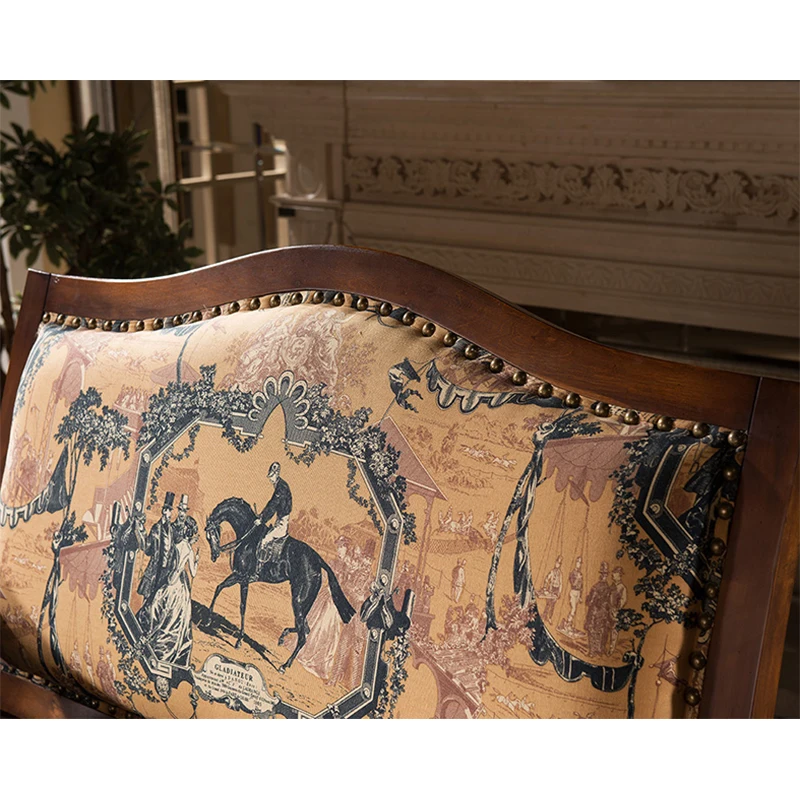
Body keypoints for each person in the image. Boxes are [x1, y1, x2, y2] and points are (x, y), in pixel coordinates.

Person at [146, 516, 199, 665]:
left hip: (168, 582)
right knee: (175, 620)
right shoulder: (189, 550)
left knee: (158, 607)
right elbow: (193, 572)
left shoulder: (176, 544)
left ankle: (149, 636)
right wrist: (196, 561)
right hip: (178, 587)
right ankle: (165, 652)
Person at [137, 492, 175, 630]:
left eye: (169, 510)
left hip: (166, 571)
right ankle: (141, 624)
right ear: (163, 511)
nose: (167, 512)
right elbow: (147, 548)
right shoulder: (156, 528)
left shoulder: (171, 530)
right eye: (165, 509)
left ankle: (153, 628)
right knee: (148, 598)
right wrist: (141, 531)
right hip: (155, 568)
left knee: (159, 601)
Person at [254, 462, 293, 566]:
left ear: (276, 474)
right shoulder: (280, 485)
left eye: (271, 476)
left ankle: (260, 566)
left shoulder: (281, 488)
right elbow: (271, 505)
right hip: (279, 519)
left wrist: (262, 520)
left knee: (265, 540)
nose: (270, 479)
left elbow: (273, 505)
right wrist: (262, 515)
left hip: (282, 521)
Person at [584, 562, 613, 658]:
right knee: (601, 630)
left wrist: (587, 599)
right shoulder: (608, 587)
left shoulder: (595, 587)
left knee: (592, 630)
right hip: (603, 612)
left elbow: (590, 602)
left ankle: (592, 651)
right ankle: (600, 649)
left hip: (595, 612)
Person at [559, 556, 583, 635]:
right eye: (578, 562)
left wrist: (580, 596)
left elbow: (581, 586)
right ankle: (567, 624)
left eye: (580, 563)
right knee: (573, 609)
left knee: (574, 610)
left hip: (578, 593)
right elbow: (573, 584)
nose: (579, 564)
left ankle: (569, 625)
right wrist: (577, 578)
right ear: (576, 563)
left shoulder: (580, 574)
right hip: (573, 592)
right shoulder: (572, 573)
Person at [608, 566, 627, 655]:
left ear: (619, 575)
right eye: (613, 573)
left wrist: (617, 609)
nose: (612, 575)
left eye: (614, 573)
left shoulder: (622, 587)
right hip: (608, 610)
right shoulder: (612, 586)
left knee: (614, 631)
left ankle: (611, 649)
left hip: (615, 612)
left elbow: (623, 600)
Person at [540, 555, 563, 623]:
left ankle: (550, 617)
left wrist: (559, 592)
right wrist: (544, 587)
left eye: (559, 563)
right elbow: (547, 579)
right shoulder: (552, 572)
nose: (557, 564)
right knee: (548, 603)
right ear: (555, 563)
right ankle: (544, 615)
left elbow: (561, 583)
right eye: (557, 563)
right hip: (551, 589)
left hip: (556, 590)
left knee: (553, 605)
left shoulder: (560, 574)